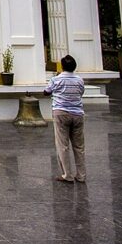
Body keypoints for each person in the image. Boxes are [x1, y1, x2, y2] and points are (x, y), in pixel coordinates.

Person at [44, 54, 86, 183]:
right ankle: (81, 175)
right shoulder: (79, 80)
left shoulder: (56, 80)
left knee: (63, 145)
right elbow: (81, 92)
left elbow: (46, 91)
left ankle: (67, 175)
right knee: (79, 147)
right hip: (78, 113)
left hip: (61, 113)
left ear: (62, 66)